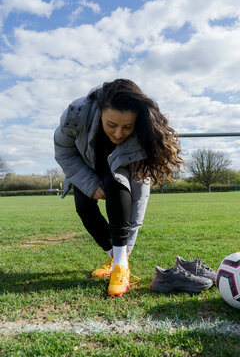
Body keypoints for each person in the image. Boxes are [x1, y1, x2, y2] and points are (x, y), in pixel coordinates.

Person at [54, 79, 183, 297]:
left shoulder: (143, 134)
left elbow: (138, 199)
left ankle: (120, 266)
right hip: (85, 167)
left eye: (127, 127)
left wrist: (127, 247)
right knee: (84, 206)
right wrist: (90, 184)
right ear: (100, 112)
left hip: (121, 169)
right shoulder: (75, 114)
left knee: (116, 183)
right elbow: (64, 152)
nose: (118, 134)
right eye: (111, 125)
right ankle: (115, 258)